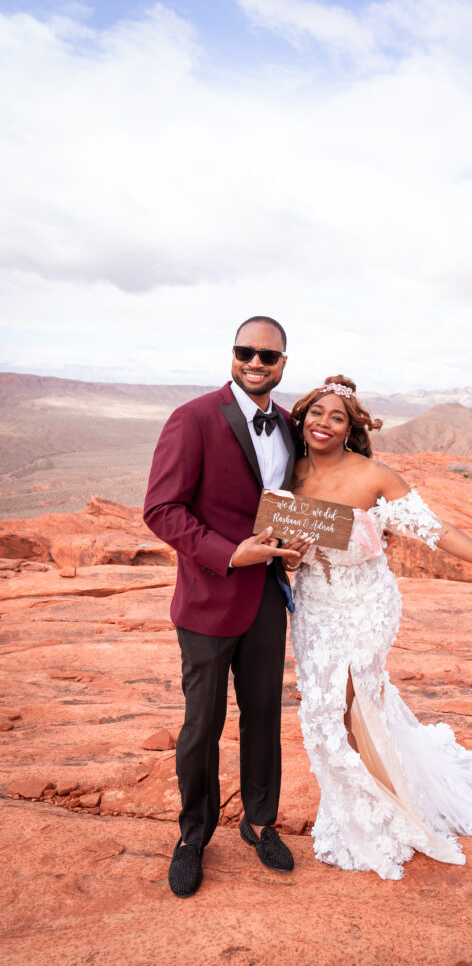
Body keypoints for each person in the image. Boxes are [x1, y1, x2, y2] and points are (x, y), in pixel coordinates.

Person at [287, 375, 472, 880]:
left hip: (364, 605)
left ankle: (388, 813)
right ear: (301, 419)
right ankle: (350, 805)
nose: (324, 423)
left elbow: (437, 531)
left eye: (336, 417)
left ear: (350, 429)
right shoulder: (287, 472)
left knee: (350, 702)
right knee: (321, 712)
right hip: (314, 607)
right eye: (316, 413)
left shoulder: (375, 477)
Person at [143, 316, 311, 898]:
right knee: (201, 726)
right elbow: (162, 508)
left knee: (263, 716)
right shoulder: (191, 419)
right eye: (247, 352)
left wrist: (298, 543)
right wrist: (228, 552)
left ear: (284, 363)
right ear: (233, 355)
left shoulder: (291, 426)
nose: (257, 362)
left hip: (267, 598)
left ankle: (260, 822)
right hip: (209, 598)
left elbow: (292, 505)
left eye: (269, 355)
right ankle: (194, 835)